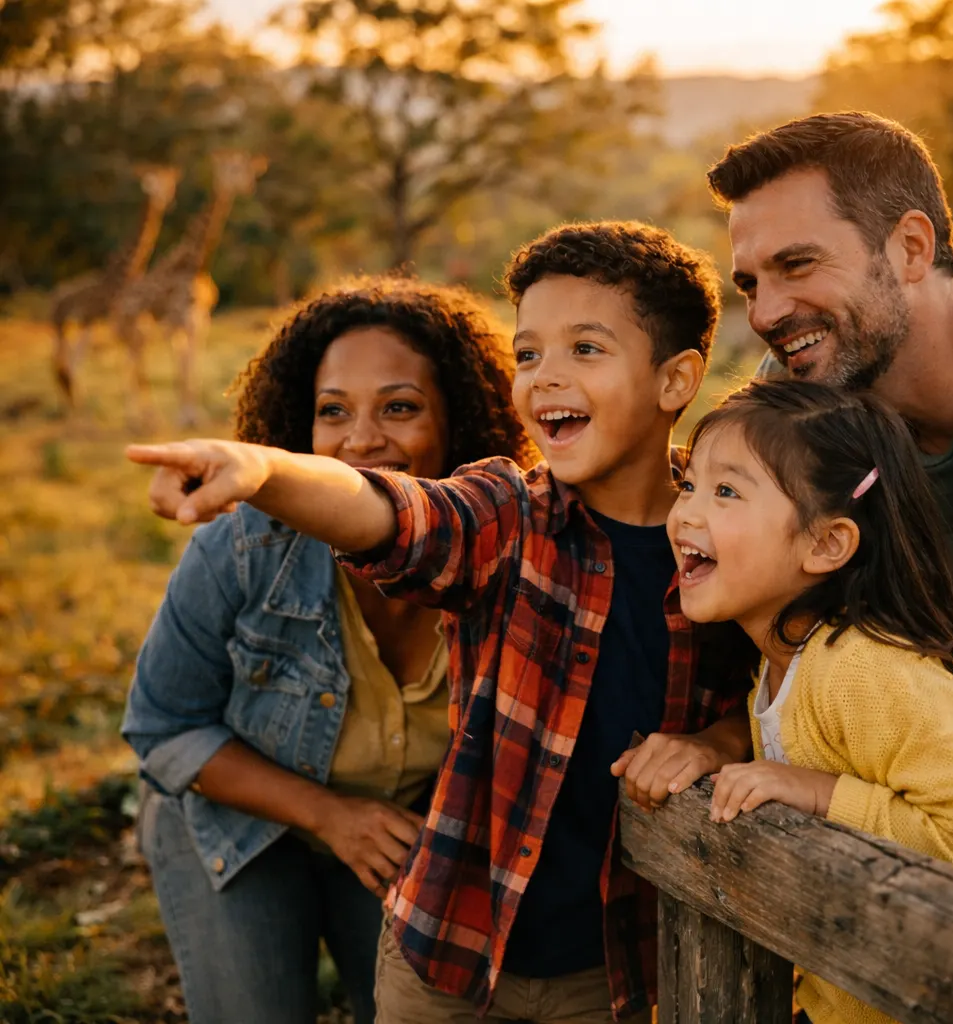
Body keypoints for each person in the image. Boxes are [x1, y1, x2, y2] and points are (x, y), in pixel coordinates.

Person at [125, 221, 760, 1023]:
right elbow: (391, 511)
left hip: (613, 973)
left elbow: (773, 690)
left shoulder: (723, 544)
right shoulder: (506, 515)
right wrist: (260, 467)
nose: (546, 378)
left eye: (585, 350)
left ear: (676, 381)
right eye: (528, 354)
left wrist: (718, 742)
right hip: (448, 948)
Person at [121, 276, 532, 1024]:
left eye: (399, 408)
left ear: (460, 422)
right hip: (237, 823)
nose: (361, 441)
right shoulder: (246, 543)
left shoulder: (505, 558)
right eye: (332, 411)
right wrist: (331, 815)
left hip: (393, 833)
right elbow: (163, 725)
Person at [662, 378, 953, 1024]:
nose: (687, 513)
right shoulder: (778, 670)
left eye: (726, 492)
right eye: (689, 484)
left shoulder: (868, 672)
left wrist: (820, 793)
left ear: (826, 544)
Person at [706, 111, 953, 682]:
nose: (765, 313)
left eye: (797, 264)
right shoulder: (787, 406)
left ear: (910, 247)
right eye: (750, 284)